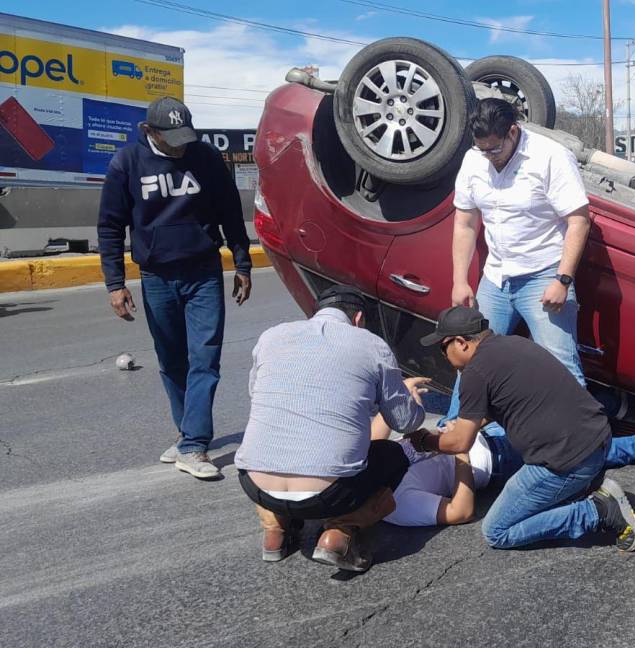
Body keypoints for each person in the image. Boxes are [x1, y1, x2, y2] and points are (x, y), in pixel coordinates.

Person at [97, 96, 253, 480]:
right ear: (148, 131)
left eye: (185, 135)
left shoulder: (205, 158)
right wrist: (115, 283)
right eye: (172, 137)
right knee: (172, 362)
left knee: (205, 358)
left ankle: (194, 443)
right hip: (156, 277)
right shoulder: (126, 164)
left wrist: (242, 262)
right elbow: (110, 227)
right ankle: (188, 435)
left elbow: (230, 211)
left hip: (203, 271)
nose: (181, 144)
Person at [406, 306, 635, 552]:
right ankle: (586, 487)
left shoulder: (475, 372)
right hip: (597, 439)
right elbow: (505, 401)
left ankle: (597, 512)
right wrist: (468, 425)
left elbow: (459, 444)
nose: (444, 356)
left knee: (496, 531)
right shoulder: (514, 344)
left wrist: (425, 441)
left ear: (461, 342)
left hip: (566, 462)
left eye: (443, 348)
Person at [234, 286, 430, 572]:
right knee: (394, 454)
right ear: (359, 319)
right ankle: (340, 533)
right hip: (330, 493)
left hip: (254, 484)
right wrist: (409, 396)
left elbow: (257, 393)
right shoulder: (370, 344)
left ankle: (274, 531)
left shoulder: (271, 337)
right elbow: (405, 422)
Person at [451, 97, 591, 384]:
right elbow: (465, 224)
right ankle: (456, 427)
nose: (489, 155)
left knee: (561, 370)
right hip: (495, 278)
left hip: (543, 275)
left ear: (512, 132)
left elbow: (579, 221)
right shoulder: (473, 159)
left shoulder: (551, 156)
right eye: (482, 149)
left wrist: (562, 280)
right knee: (473, 363)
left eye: (495, 148)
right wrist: (459, 280)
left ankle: (580, 429)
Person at [385, 419, 635, 529]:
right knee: (597, 450)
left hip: (482, 431)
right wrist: (461, 451)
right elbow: (460, 511)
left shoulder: (364, 467)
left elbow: (377, 428)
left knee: (570, 410)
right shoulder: (397, 506)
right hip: (499, 459)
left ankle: (631, 412)